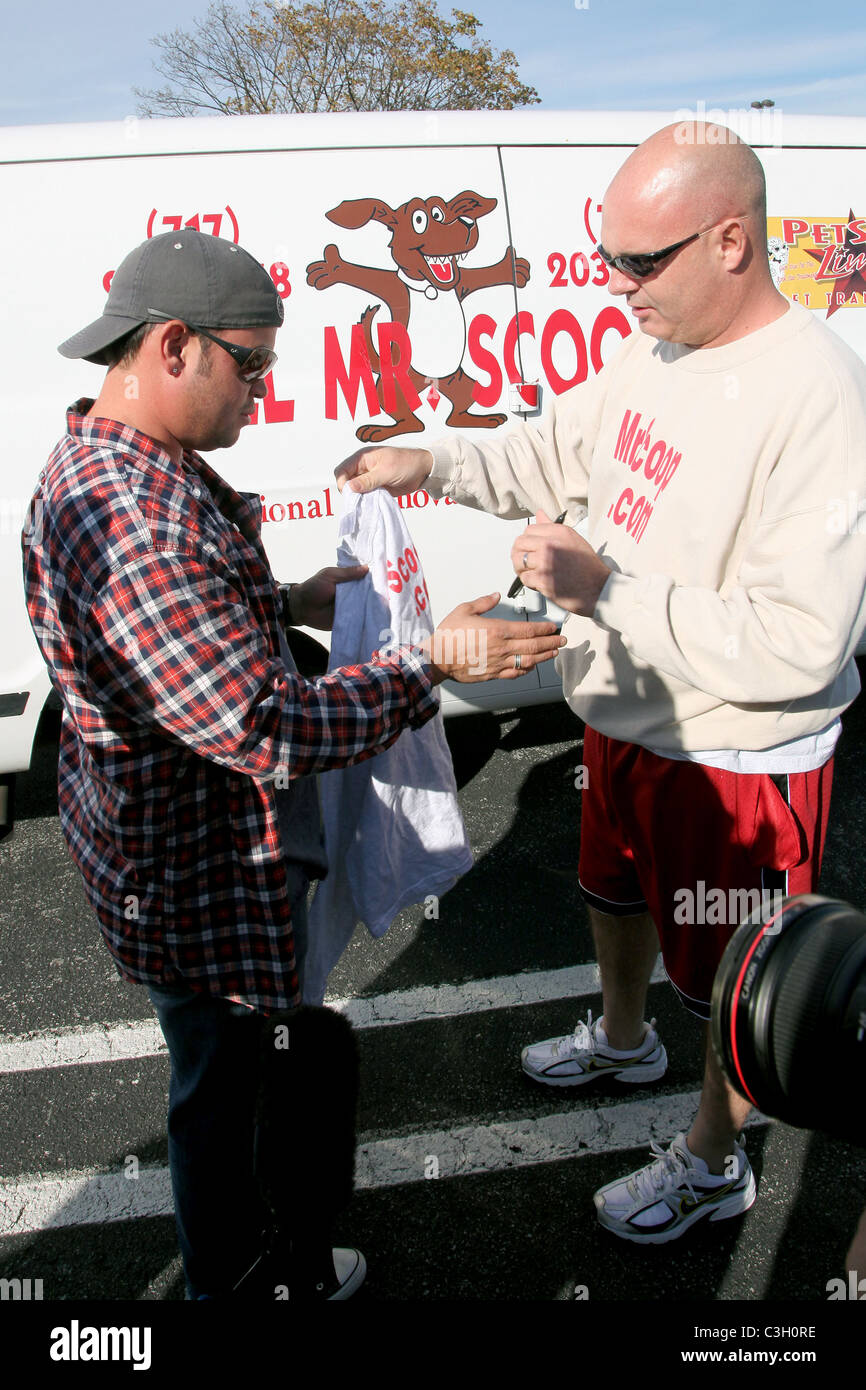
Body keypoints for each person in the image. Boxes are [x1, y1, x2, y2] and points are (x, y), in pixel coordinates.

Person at [336, 122, 866, 1243]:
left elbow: (799, 644)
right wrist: (426, 460)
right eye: (604, 257)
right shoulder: (656, 348)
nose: (612, 284)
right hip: (623, 721)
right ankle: (622, 1045)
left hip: (731, 760)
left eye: (638, 261)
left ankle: (715, 1163)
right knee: (612, 895)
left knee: (733, 988)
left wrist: (602, 589)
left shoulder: (818, 394)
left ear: (731, 239)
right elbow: (549, 451)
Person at [21, 228, 564, 1297]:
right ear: (175, 346)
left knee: (248, 1077)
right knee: (228, 1093)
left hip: (174, 869)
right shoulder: (134, 514)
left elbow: (169, 643)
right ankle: (243, 1274)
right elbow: (256, 724)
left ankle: (258, 1257)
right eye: (253, 365)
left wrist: (281, 603)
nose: (261, 396)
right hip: (199, 883)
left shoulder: (125, 464)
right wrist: (433, 661)